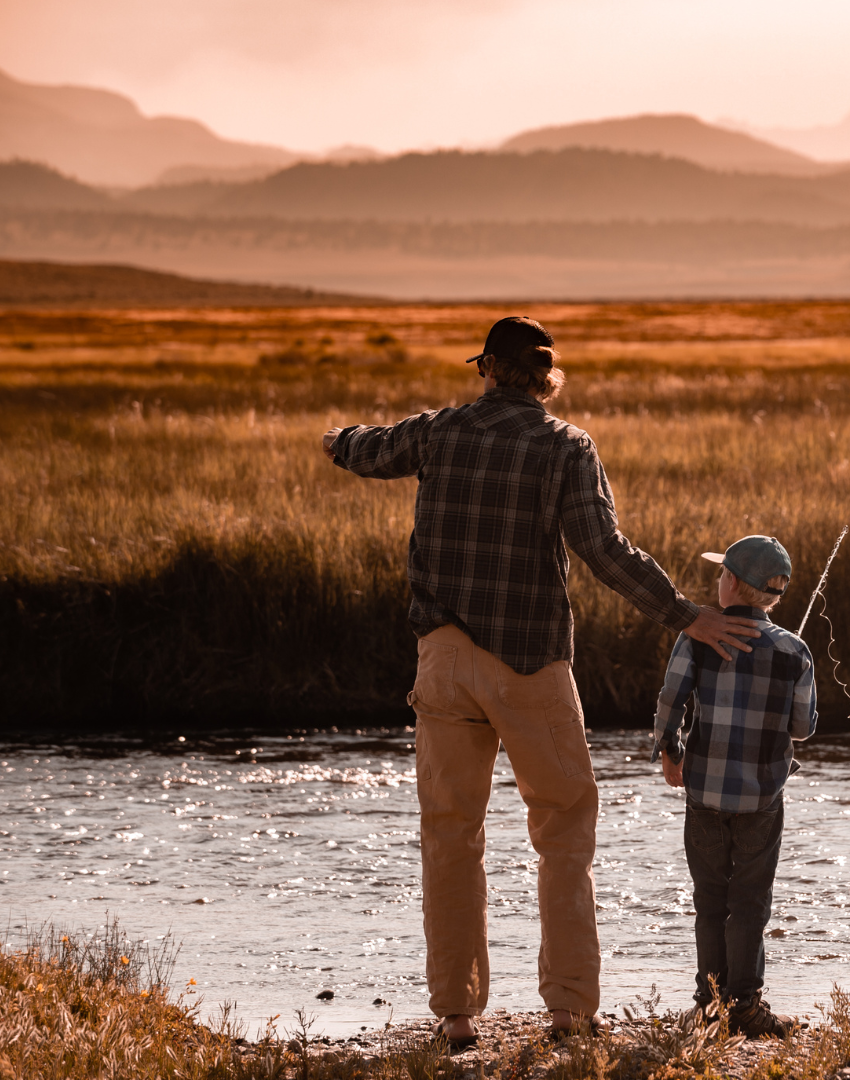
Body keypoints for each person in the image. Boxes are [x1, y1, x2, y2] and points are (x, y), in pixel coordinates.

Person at [322, 316, 760, 1048]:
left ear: (488, 368)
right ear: (547, 377)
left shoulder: (438, 431)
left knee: (450, 834)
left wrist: (335, 439)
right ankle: (568, 1009)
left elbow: (367, 449)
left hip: (443, 662)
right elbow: (603, 549)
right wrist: (685, 615)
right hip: (531, 666)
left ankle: (457, 1015)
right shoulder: (566, 447)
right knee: (563, 832)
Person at [652, 534, 817, 1039]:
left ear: (731, 584)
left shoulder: (694, 637)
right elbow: (803, 727)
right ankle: (745, 1005)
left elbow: (670, 702)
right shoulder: (795, 650)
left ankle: (708, 1003)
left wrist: (671, 752)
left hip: (703, 793)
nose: (716, 581)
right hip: (763, 799)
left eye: (721, 573)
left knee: (709, 900)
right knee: (750, 902)